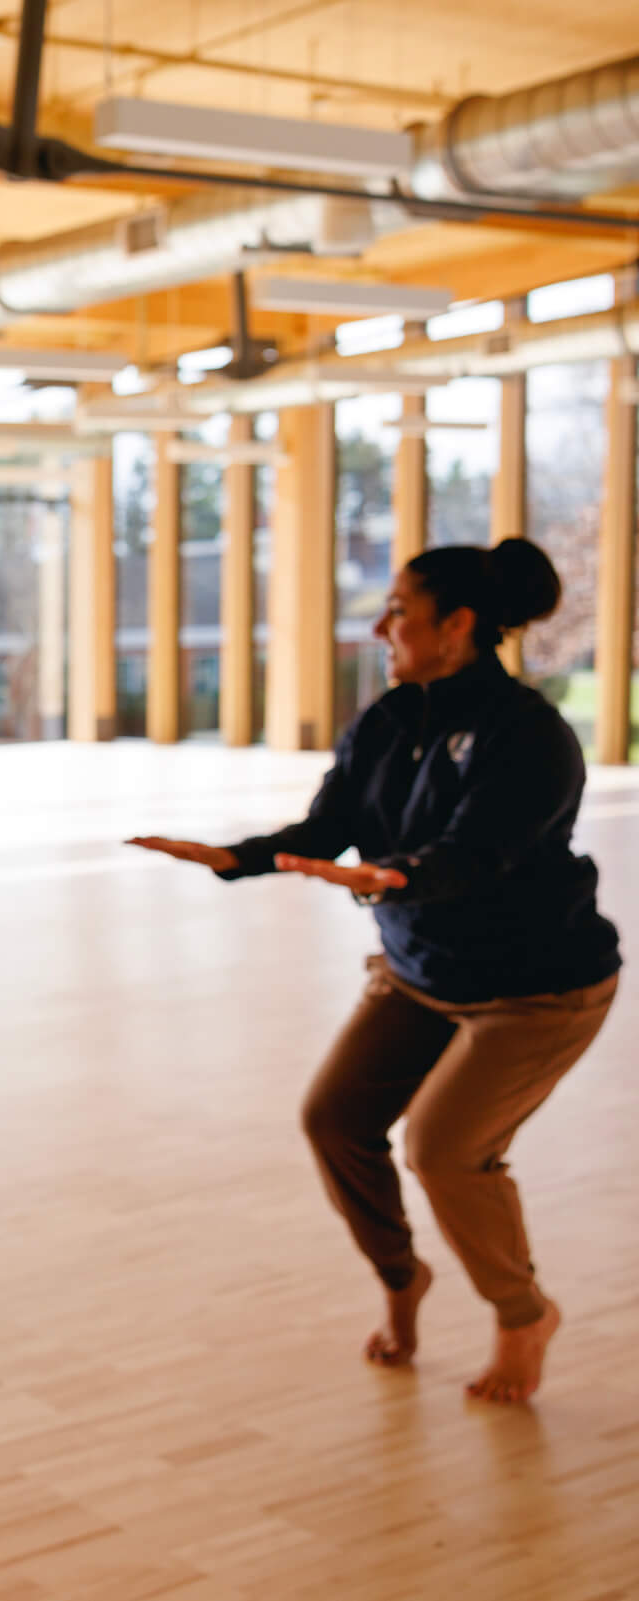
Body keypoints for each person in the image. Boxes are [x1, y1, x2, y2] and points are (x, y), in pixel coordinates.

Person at [131, 537, 619, 1407]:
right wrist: (233, 857)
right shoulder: (391, 719)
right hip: (423, 968)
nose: (381, 624)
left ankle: (522, 1313)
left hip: (538, 989)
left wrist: (399, 876)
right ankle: (403, 1276)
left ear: (458, 624)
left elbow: (480, 853)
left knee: (444, 1148)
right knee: (335, 1118)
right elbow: (330, 828)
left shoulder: (531, 736)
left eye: (399, 609)